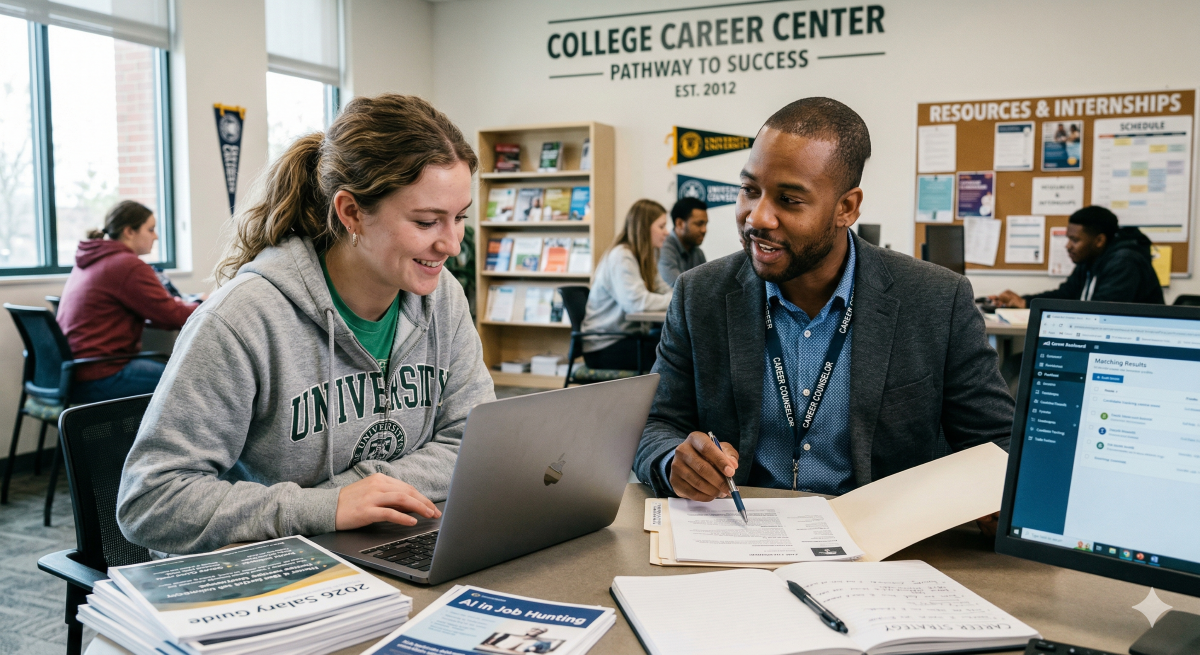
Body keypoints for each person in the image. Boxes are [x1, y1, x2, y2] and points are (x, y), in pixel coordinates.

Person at [117, 94, 495, 555]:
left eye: (459, 219)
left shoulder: (443, 299)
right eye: (426, 221)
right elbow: (152, 501)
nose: (452, 245)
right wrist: (326, 507)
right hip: (263, 572)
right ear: (351, 211)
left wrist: (368, 492)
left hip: (382, 544)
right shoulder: (243, 319)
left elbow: (473, 444)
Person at [634, 97, 1013, 536]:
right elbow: (654, 423)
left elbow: (998, 443)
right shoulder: (700, 294)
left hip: (885, 551)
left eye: (789, 200)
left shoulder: (934, 299)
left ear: (847, 208)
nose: (757, 217)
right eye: (750, 190)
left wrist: (991, 493)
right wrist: (670, 459)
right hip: (740, 542)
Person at [56, 201, 200, 403]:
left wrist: (178, 305)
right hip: (101, 374)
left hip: (75, 372)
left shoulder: (91, 259)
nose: (156, 236)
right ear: (129, 232)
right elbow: (172, 316)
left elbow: (155, 312)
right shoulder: (126, 265)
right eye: (150, 229)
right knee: (193, 381)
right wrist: (207, 306)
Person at [989, 206, 1164, 308]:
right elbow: (1066, 294)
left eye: (1074, 240)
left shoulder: (1125, 262)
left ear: (1099, 240)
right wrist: (1025, 301)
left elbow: (1100, 313)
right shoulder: (1090, 259)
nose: (1067, 245)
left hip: (1130, 352)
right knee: (1015, 364)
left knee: (1015, 366)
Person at [580, 199, 672, 371]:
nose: (666, 232)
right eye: (661, 227)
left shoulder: (644, 257)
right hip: (605, 346)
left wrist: (675, 297)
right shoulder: (621, 257)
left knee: (676, 348)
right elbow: (636, 303)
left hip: (626, 339)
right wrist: (675, 299)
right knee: (671, 357)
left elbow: (664, 290)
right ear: (644, 228)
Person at [659, 197, 709, 286]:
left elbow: (708, 286)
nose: (704, 230)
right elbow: (677, 288)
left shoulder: (698, 253)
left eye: (705, 224)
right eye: (699, 224)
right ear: (679, 223)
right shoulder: (663, 248)